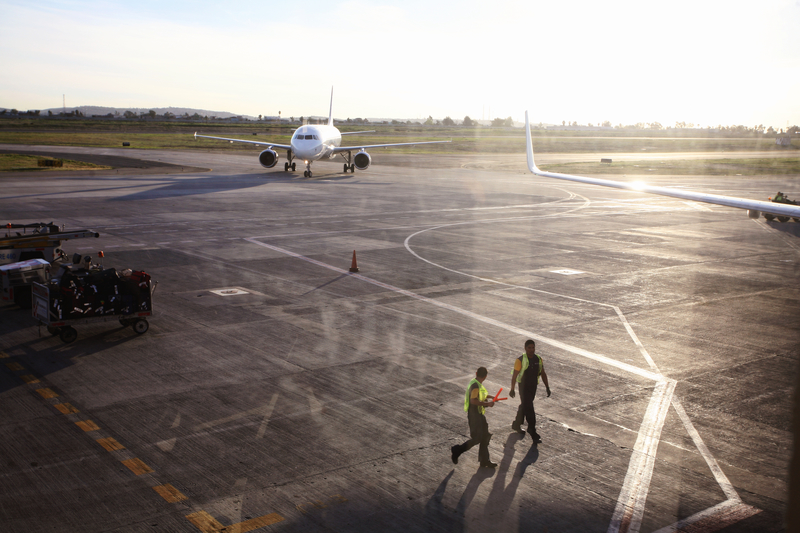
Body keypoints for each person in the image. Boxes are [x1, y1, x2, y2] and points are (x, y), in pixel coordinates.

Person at [451, 367, 497, 468]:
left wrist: (490, 397)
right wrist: (488, 404)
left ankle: (484, 460)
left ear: (476, 373)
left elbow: (478, 396)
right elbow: (473, 401)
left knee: (485, 436)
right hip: (475, 416)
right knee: (477, 438)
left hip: (478, 415)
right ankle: (457, 450)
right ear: (485, 377)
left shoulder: (474, 382)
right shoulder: (476, 386)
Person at [509, 339, 550, 443]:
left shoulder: (538, 359)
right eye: (529, 348)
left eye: (533, 347)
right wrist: (512, 389)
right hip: (523, 387)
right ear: (525, 348)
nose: (531, 350)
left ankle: (516, 424)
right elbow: (514, 375)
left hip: (533, 387)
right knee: (530, 409)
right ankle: (532, 431)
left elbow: (543, 373)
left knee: (525, 405)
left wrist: (547, 387)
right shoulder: (520, 360)